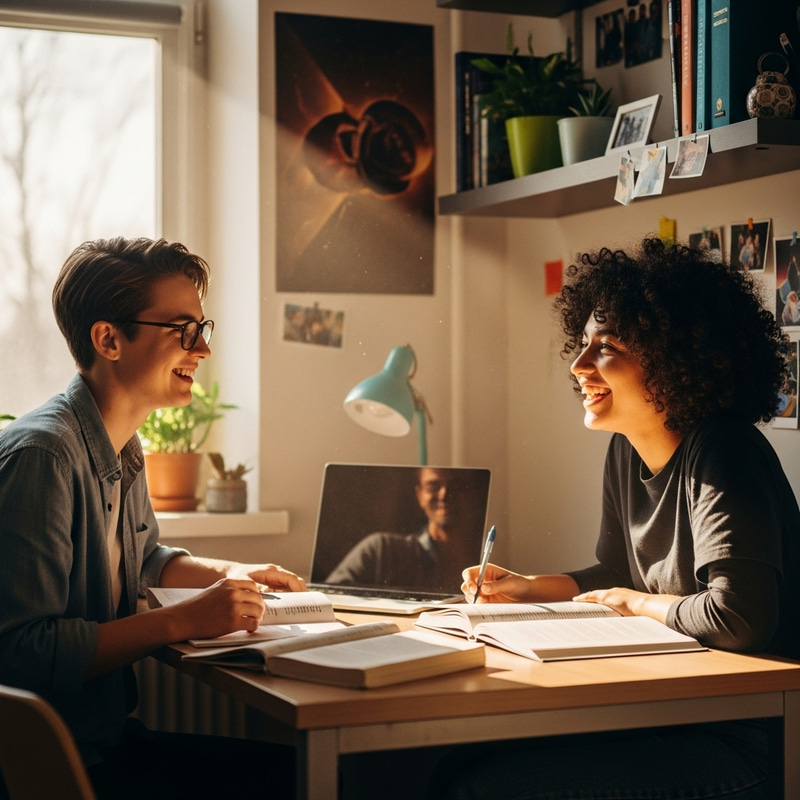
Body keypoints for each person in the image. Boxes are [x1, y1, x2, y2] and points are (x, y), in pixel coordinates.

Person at [427, 237, 800, 800]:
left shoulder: (724, 451)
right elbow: (614, 572)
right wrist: (530, 588)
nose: (578, 367)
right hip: (666, 714)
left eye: (606, 347)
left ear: (675, 357)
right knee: (450, 766)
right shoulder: (627, 450)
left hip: (749, 741)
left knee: (487, 787)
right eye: (582, 346)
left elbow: (740, 616)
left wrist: (637, 603)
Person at [0, 237, 307, 800]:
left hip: (107, 742)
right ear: (108, 339)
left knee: (302, 774)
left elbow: (144, 560)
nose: (202, 351)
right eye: (182, 331)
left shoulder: (121, 444)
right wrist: (186, 620)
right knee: (302, 781)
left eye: (202, 329)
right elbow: (23, 652)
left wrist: (234, 574)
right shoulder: (43, 456)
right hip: (64, 767)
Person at [325, 467, 484, 593]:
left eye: (456, 486)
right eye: (433, 487)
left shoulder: (489, 560)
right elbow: (328, 596)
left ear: (471, 493)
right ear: (419, 495)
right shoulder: (381, 549)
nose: (444, 494)